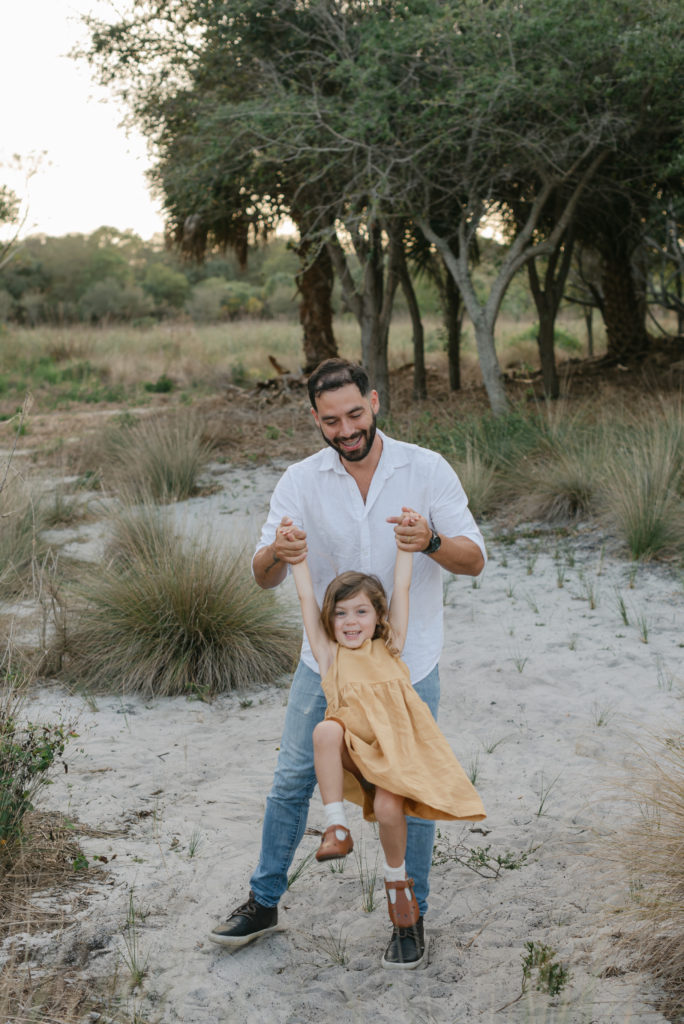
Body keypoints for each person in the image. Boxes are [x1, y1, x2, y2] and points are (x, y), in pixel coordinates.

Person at [209, 357, 486, 969]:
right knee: (290, 782)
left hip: (407, 667)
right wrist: (279, 553)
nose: (345, 429)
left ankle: (409, 916)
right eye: (330, 420)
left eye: (355, 414)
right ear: (316, 418)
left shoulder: (426, 468)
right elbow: (263, 574)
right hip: (326, 665)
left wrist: (431, 542)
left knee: (406, 795)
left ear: (375, 402)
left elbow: (473, 559)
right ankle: (263, 902)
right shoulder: (300, 480)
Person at [288, 525, 486, 934]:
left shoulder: (391, 644)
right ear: (330, 621)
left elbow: (403, 586)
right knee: (325, 731)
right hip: (350, 747)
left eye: (361, 611)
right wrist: (297, 556)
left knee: (388, 809)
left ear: (379, 617)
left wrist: (406, 547)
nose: (350, 621)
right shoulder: (329, 655)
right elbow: (307, 597)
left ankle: (398, 883)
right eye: (340, 613)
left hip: (391, 751)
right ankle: (336, 827)